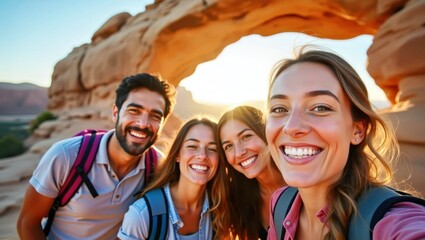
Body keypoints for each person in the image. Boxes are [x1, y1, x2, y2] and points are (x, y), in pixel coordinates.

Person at [265, 47, 425, 239]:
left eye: (320, 107)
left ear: (357, 130)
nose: (291, 127)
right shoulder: (281, 204)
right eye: (279, 109)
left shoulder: (392, 221)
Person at [17, 73, 176, 239]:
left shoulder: (157, 166)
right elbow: (27, 223)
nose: (143, 123)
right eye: (134, 111)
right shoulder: (66, 155)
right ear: (116, 112)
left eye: (155, 116)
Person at [118, 116, 230, 240]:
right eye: (192, 146)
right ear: (177, 154)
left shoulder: (221, 212)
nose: (202, 156)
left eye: (212, 149)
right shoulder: (141, 215)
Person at [218, 106, 286, 240]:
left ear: (266, 133)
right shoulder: (239, 199)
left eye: (246, 137)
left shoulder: (303, 183)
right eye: (228, 146)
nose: (239, 152)